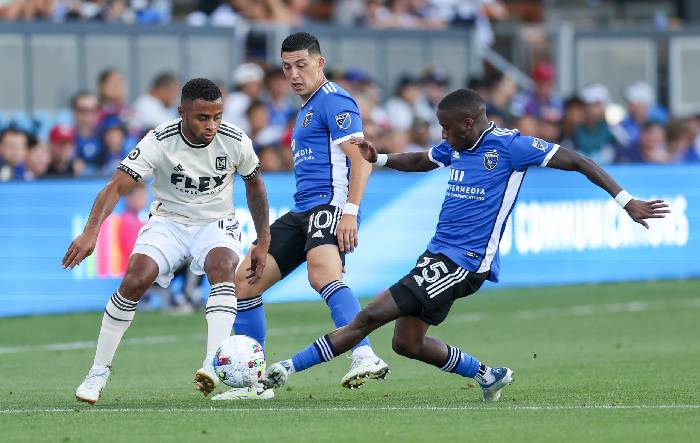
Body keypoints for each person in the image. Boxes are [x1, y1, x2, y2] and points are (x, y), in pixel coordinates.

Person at [260, 88, 669, 401]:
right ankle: (488, 375)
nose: (443, 135)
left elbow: (579, 161)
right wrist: (379, 159)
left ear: (470, 123)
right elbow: (422, 160)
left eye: (447, 127)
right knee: (407, 343)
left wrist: (626, 200)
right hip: (438, 256)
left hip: (462, 262)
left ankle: (283, 369)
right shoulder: (456, 147)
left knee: (369, 317)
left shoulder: (512, 147)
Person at [64, 78, 271, 405]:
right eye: (203, 117)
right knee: (134, 280)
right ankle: (98, 372)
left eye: (217, 116)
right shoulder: (159, 140)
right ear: (182, 112)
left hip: (215, 223)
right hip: (168, 222)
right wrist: (92, 231)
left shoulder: (235, 140)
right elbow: (116, 186)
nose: (212, 125)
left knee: (223, 267)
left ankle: (211, 364)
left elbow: (255, 186)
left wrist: (263, 240)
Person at [215, 32, 388, 401]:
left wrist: (350, 212)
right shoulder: (307, 107)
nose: (293, 74)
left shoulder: (334, 100)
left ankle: (364, 355)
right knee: (244, 282)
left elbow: (361, 160)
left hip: (329, 205)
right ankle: (254, 384)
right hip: (302, 210)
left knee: (323, 274)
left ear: (320, 63)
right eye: (287, 67)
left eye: (301, 65)